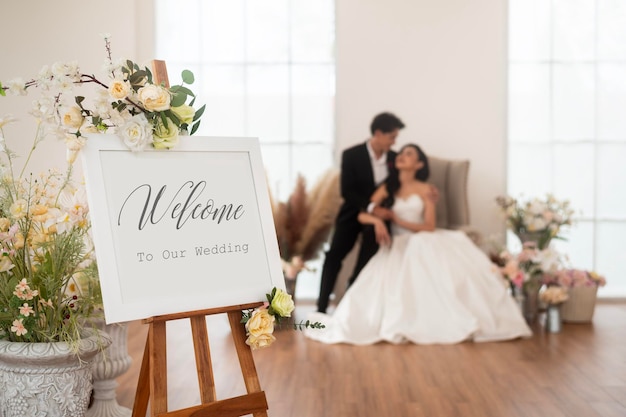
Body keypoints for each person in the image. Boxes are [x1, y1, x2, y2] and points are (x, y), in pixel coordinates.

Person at [306, 144, 532, 344]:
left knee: (423, 255)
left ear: (419, 163)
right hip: (395, 244)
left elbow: (429, 226)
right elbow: (362, 215)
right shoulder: (387, 187)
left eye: (409, 153)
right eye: (402, 152)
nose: (402, 155)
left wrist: (396, 219)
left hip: (421, 238)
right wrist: (377, 221)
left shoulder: (426, 189)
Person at [316, 112, 404, 314]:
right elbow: (347, 191)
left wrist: (379, 214)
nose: (394, 142)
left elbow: (394, 188)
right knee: (334, 256)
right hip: (352, 212)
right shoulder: (351, 155)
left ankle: (350, 298)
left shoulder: (393, 159)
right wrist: (372, 208)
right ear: (379, 133)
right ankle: (321, 307)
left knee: (369, 255)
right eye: (392, 137)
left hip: (378, 219)